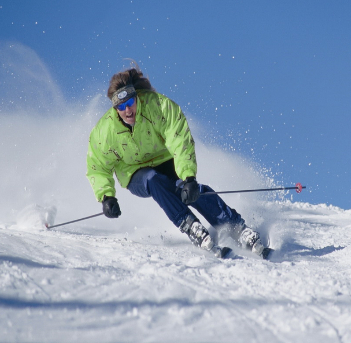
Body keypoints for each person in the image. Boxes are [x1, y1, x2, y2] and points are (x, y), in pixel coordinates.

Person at [86, 64, 272, 259]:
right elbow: (97, 166)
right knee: (153, 179)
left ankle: (235, 227)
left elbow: (179, 139)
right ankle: (190, 225)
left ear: (136, 98)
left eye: (130, 102)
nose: (128, 111)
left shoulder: (157, 106)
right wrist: (106, 197)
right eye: (121, 107)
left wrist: (188, 177)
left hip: (165, 160)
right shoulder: (104, 131)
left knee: (187, 190)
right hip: (135, 173)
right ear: (115, 109)